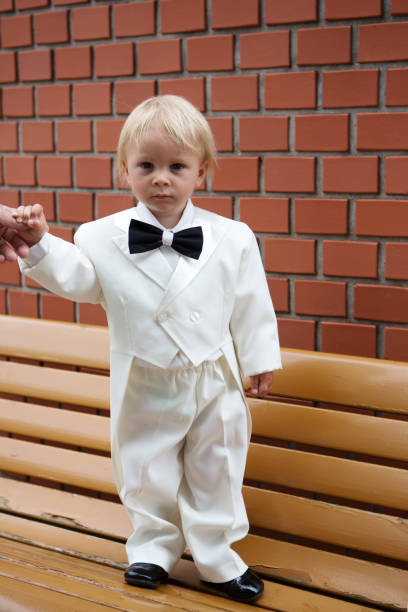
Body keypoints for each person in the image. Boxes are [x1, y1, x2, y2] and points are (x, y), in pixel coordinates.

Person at [3, 95, 281, 604]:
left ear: (202, 171)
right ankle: (152, 548)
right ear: (124, 170)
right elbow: (79, 277)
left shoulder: (233, 237)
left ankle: (218, 557)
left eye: (177, 166)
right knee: (145, 467)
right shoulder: (99, 237)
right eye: (146, 165)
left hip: (212, 377)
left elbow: (250, 301)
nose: (161, 178)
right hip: (145, 378)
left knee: (217, 465)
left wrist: (260, 358)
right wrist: (39, 240)